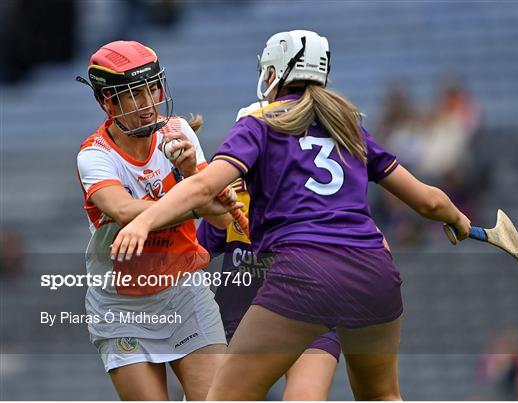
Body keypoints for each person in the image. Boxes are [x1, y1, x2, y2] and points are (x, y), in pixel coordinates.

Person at [110, 30, 472, 400]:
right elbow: (429, 202)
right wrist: (460, 221)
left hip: (305, 271)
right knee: (382, 396)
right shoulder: (350, 127)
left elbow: (204, 189)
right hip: (374, 270)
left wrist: (143, 220)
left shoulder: (258, 124)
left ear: (273, 73)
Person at [76, 40, 239, 400]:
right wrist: (196, 201)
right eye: (134, 94)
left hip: (184, 293)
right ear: (108, 102)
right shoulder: (94, 155)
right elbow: (122, 210)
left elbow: (221, 217)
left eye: (152, 88)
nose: (149, 102)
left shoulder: (179, 133)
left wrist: (190, 173)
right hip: (121, 306)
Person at [198, 171, 340, 400]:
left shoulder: (321, 187)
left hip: (308, 317)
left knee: (305, 396)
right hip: (237, 323)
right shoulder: (231, 189)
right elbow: (199, 252)